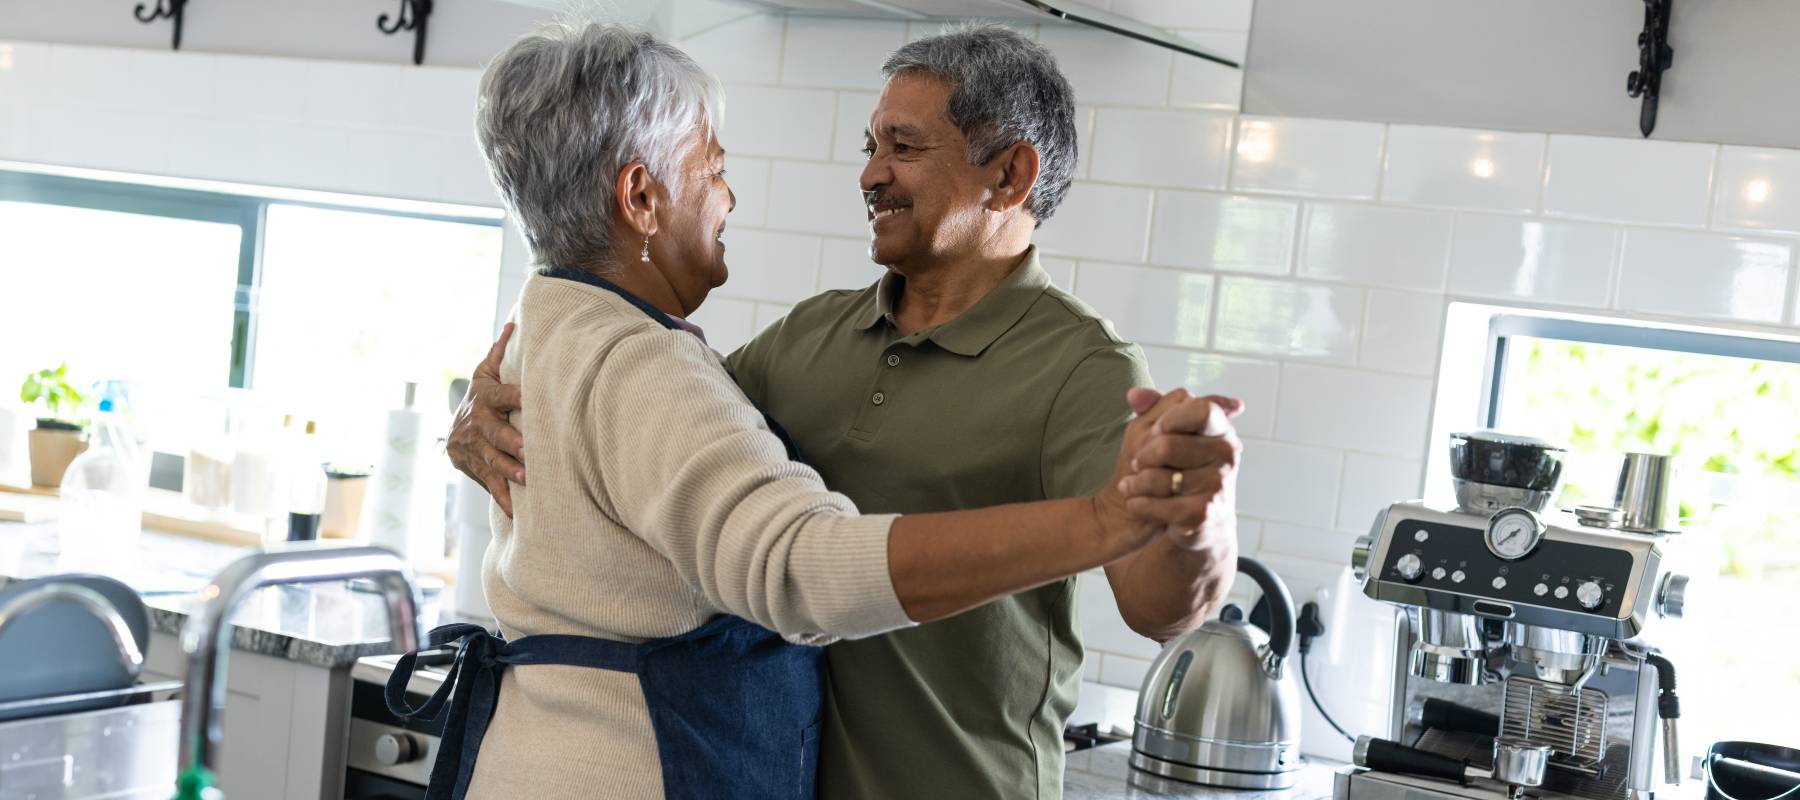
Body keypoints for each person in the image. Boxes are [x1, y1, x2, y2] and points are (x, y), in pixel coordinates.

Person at [406, 21, 1241, 800]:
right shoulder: (811, 335)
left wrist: (1194, 521)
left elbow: (1162, 609)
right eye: (872, 146)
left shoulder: (1082, 367)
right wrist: (485, 416)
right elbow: (637, 441)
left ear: (1009, 174)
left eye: (904, 148)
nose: (871, 173)